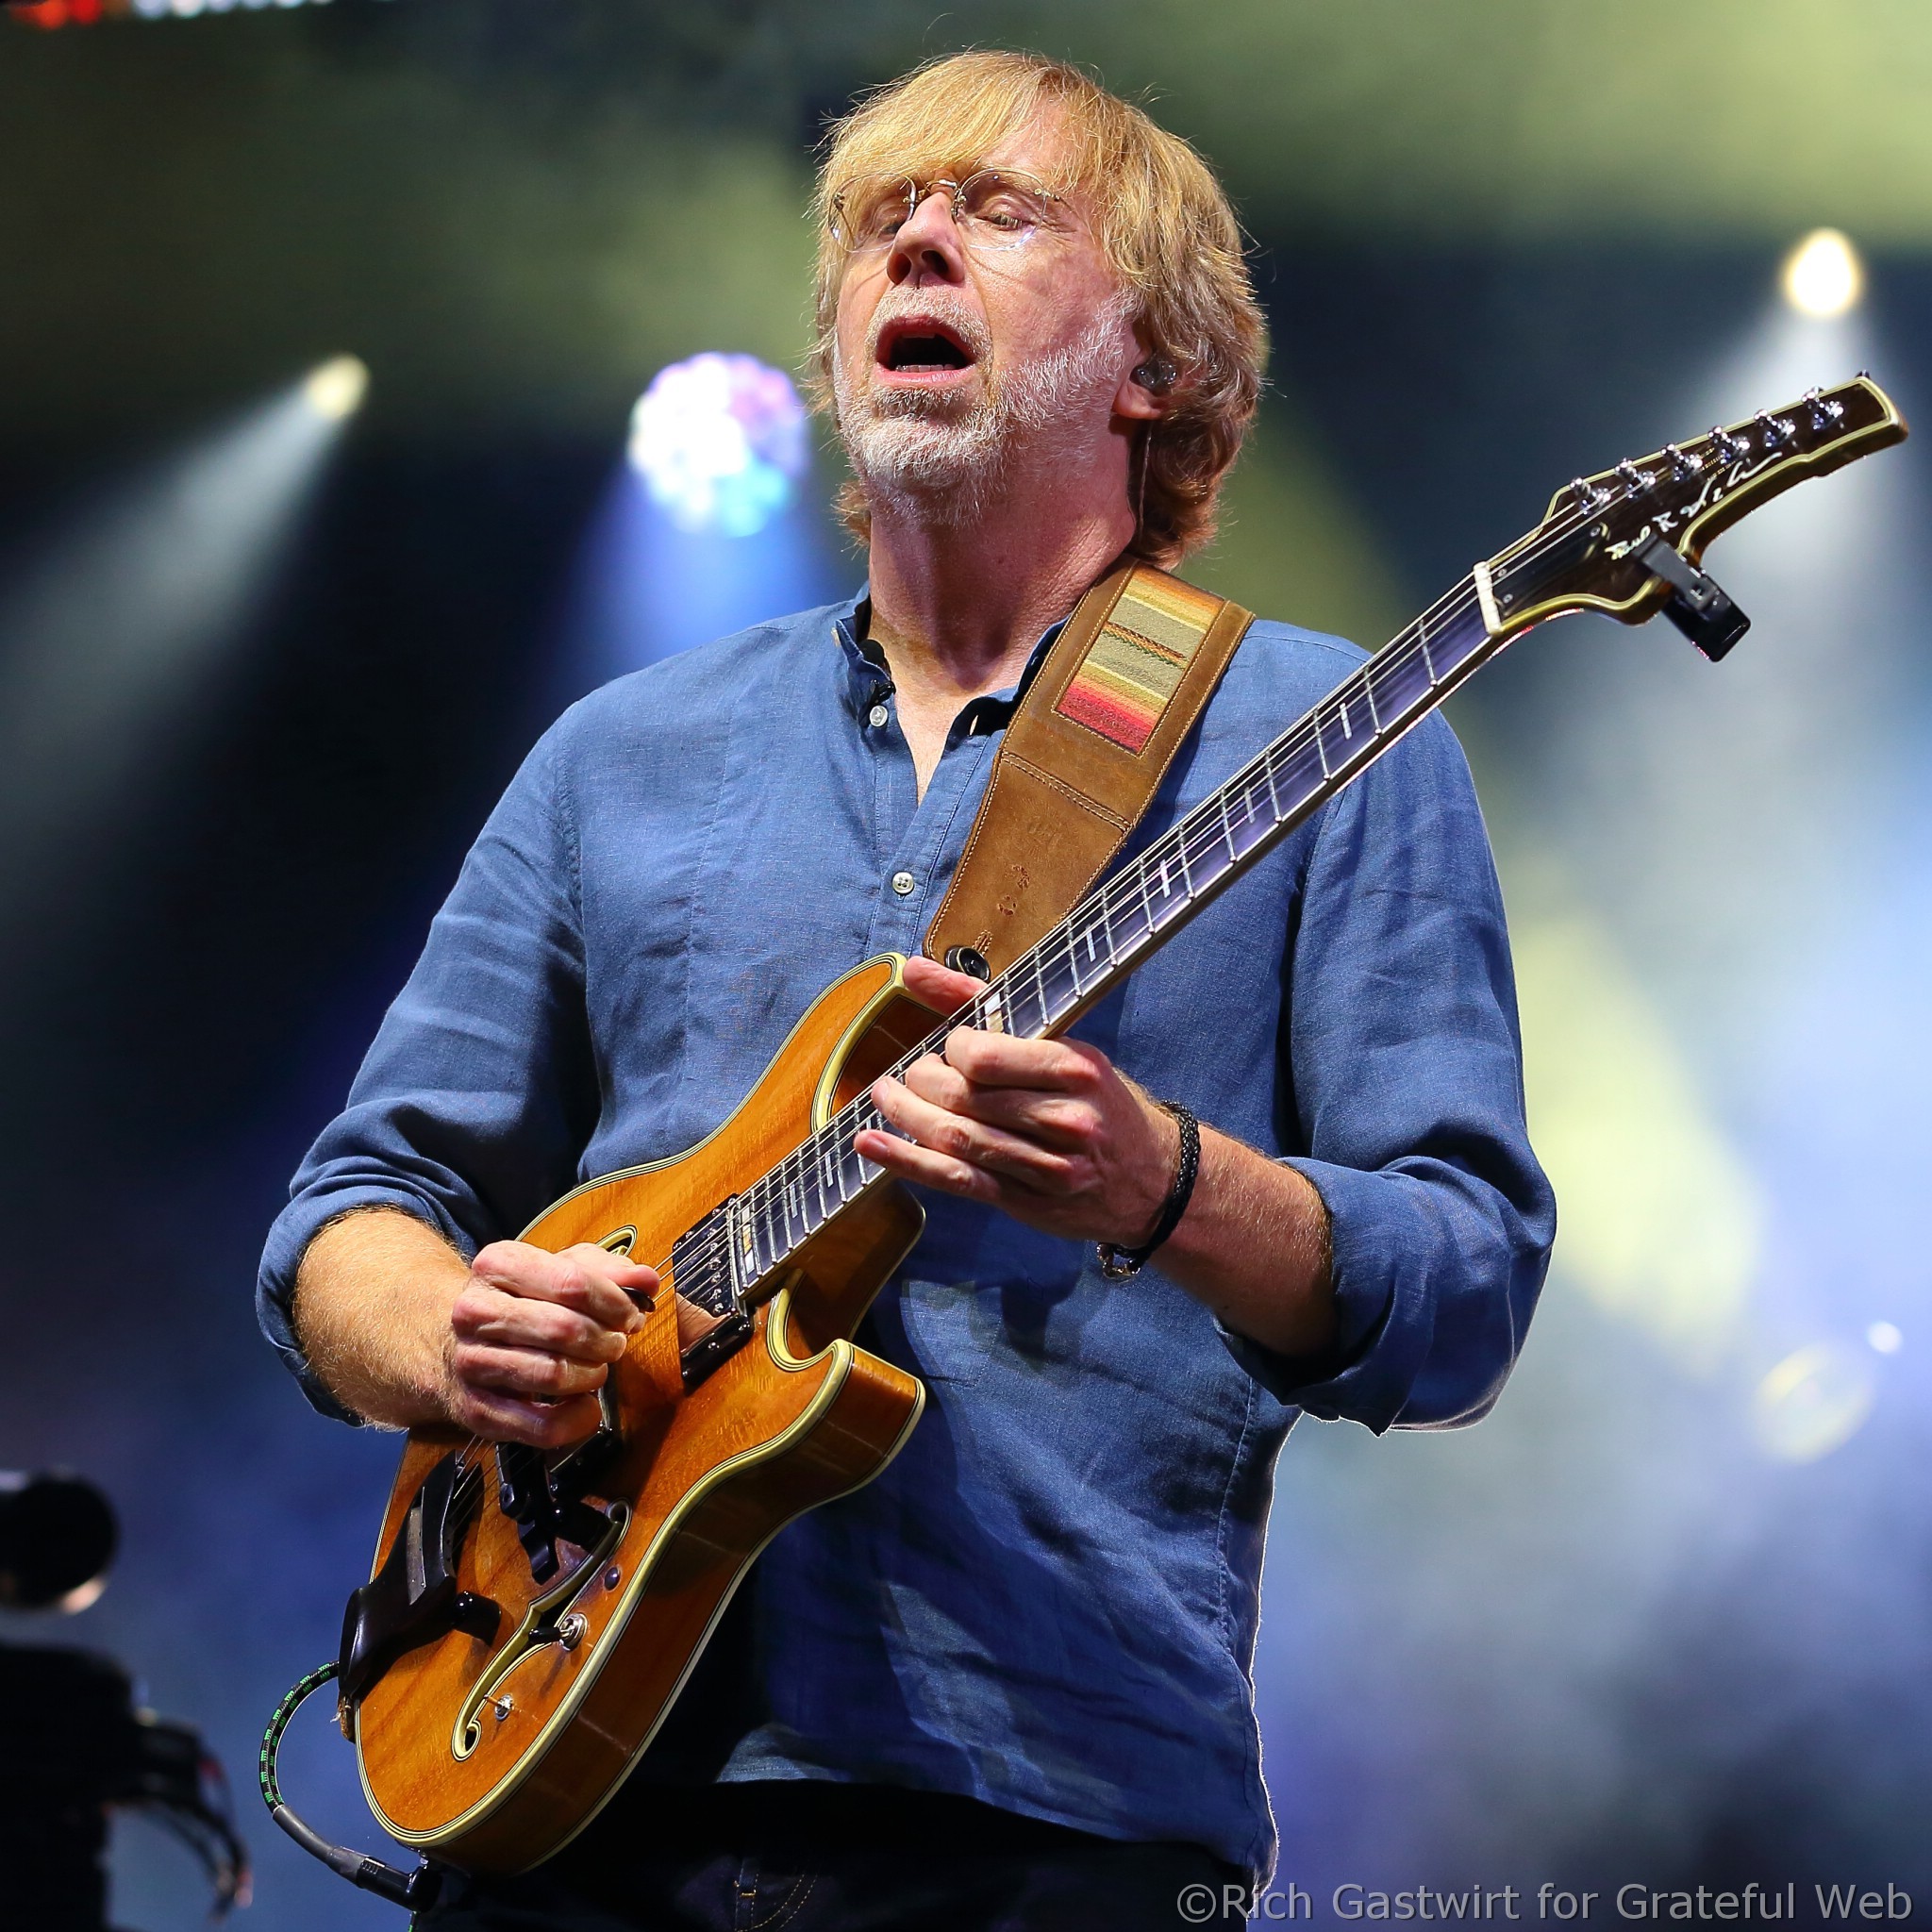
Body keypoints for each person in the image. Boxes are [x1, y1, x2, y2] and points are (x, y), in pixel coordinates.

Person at [258, 49, 1555, 1932]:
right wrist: (450, 1332)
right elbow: (352, 1214)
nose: (916, 242)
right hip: (563, 1774)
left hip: (1047, 1812)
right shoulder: (621, 751)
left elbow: (1462, 1292)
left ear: (1158, 363)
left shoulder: (1329, 736)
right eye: (878, 220)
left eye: (999, 211)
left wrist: (1165, 1184)